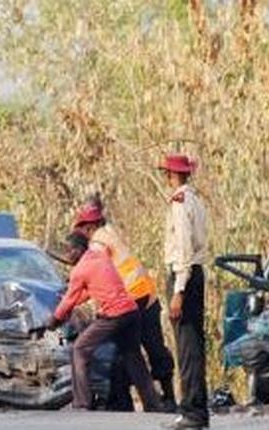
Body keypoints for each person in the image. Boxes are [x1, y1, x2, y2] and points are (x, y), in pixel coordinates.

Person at [72, 198, 177, 411]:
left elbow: (99, 276)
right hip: (146, 294)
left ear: (89, 227)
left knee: (125, 349)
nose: (80, 233)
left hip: (130, 297)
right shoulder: (111, 233)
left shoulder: (97, 244)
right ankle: (165, 398)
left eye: (81, 228)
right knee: (148, 348)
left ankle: (122, 401)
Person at [46, 232, 161, 412]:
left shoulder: (80, 270)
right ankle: (153, 404)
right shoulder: (100, 257)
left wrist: (54, 320)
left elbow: (69, 299)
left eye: (69, 251)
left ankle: (82, 403)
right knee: (133, 356)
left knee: (80, 349)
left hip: (113, 315)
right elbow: (90, 291)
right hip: (131, 311)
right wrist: (70, 305)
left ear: (78, 250)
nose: (67, 256)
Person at [160, 154, 209, 430]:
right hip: (194, 275)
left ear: (172, 175)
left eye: (167, 173)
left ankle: (192, 411)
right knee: (193, 346)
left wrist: (178, 290)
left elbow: (183, 249)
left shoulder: (180, 203)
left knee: (187, 347)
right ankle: (196, 409)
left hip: (184, 276)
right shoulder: (195, 200)